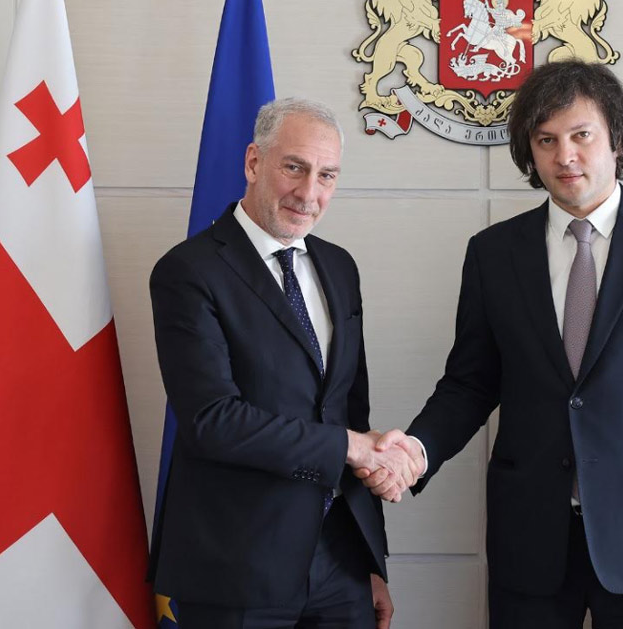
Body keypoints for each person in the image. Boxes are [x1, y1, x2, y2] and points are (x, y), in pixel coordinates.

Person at [360, 61, 623, 629]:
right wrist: (415, 451)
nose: (565, 156)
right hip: (530, 538)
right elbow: (470, 384)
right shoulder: (493, 253)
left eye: (581, 135)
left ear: (616, 138)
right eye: (546, 141)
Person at [148, 97, 421, 629]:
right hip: (235, 568)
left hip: (341, 565)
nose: (309, 193)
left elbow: (351, 410)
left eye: (327, 175)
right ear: (254, 162)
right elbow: (212, 420)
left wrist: (370, 561)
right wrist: (350, 446)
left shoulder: (339, 267)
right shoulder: (188, 272)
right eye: (294, 167)